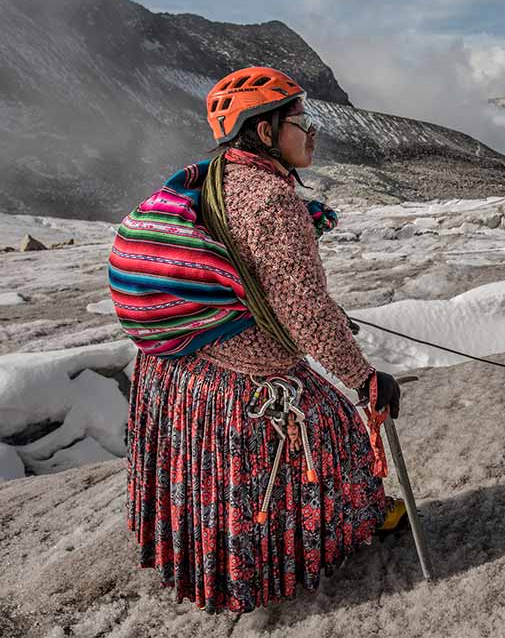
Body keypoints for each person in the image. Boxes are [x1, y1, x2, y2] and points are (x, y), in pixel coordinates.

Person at [110, 66, 405, 613]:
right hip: (241, 369)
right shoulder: (271, 199)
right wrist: (364, 378)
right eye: (301, 121)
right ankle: (333, 534)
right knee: (334, 426)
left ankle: (212, 556)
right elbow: (304, 310)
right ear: (265, 132)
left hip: (179, 364)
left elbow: (259, 278)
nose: (312, 132)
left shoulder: (217, 176)